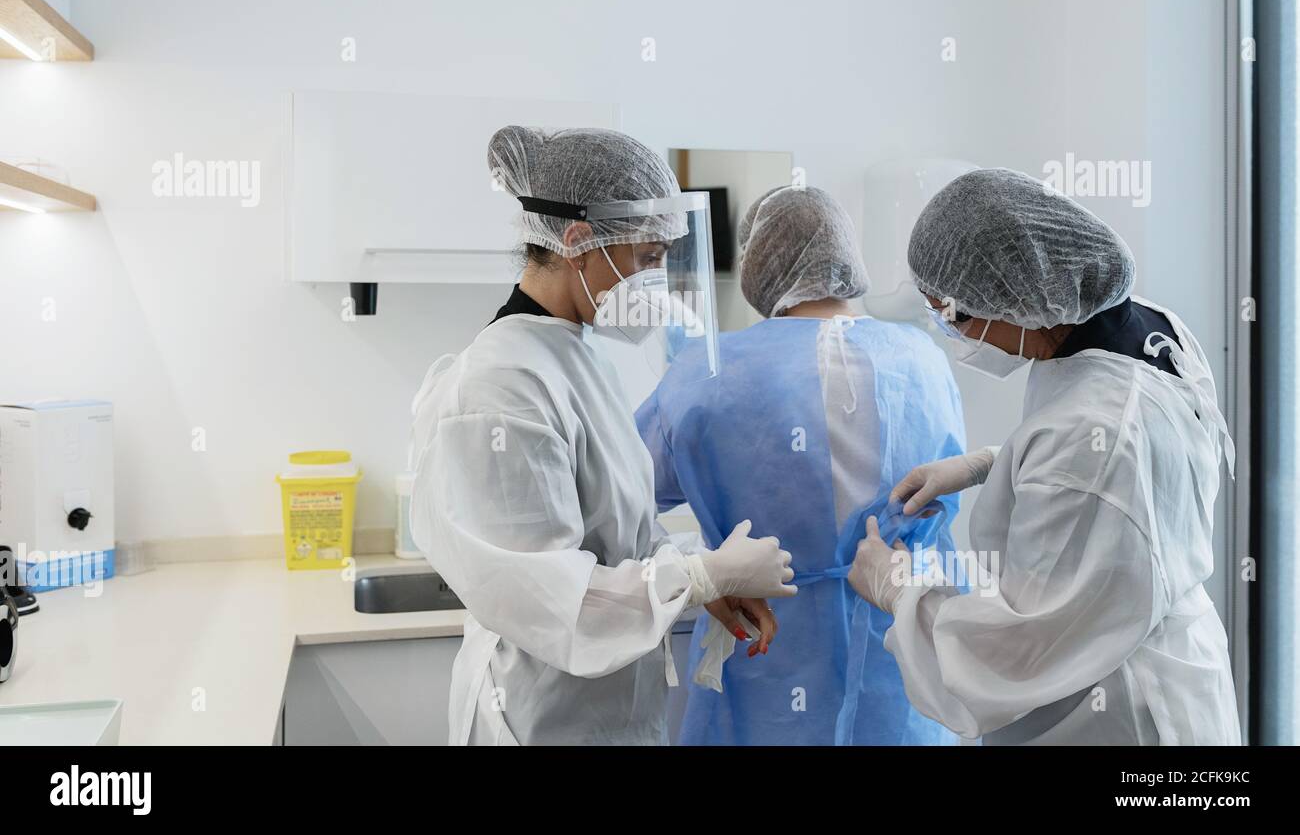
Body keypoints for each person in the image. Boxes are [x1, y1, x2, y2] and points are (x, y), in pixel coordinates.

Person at [408, 126, 796, 746]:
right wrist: (696, 578)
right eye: (646, 259)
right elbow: (546, 593)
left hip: (604, 712)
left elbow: (620, 537)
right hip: (537, 719)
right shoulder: (499, 386)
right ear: (579, 241)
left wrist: (696, 587)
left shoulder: (576, 356)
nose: (655, 282)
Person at [849, 167, 1241, 745]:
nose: (953, 334)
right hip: (1172, 663)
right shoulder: (1142, 326)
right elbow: (1140, 464)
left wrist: (898, 592)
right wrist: (994, 462)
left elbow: (1014, 654)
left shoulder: (1092, 436)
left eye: (956, 315)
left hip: (1117, 709)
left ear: (1021, 297)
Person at [636, 185, 965, 745]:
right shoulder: (921, 359)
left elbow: (624, 500)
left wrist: (699, 570)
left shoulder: (709, 372)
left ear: (757, 266)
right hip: (905, 648)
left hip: (767, 652)